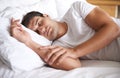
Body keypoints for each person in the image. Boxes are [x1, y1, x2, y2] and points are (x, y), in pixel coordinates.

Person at [10, 1, 120, 70]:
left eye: (39, 23)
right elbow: (74, 65)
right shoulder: (58, 47)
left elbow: (113, 29)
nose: (42, 30)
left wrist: (75, 51)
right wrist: (28, 41)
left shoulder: (76, 9)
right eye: (37, 33)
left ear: (46, 15)